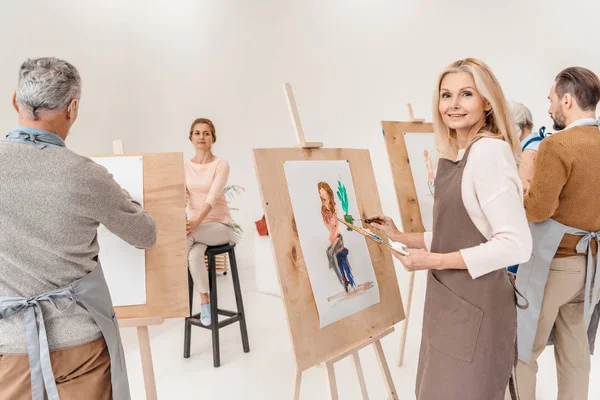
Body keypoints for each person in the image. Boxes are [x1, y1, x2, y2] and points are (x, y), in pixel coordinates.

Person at [369, 58, 532, 400]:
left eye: (466, 94)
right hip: (451, 302)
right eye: (446, 95)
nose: (453, 104)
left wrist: (432, 261)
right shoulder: (459, 154)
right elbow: (462, 232)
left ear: (487, 103)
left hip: (477, 305)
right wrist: (399, 236)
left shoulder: (489, 152)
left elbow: (516, 245)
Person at [0, 57, 157, 400]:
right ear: (72, 109)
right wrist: (128, 203)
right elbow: (146, 235)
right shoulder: (86, 175)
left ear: (15, 100)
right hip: (79, 346)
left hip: (7, 346)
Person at [515, 67, 600, 400]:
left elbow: (539, 210)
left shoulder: (557, 145)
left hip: (555, 264)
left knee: (524, 350)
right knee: (575, 353)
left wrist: (521, 191)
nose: (549, 108)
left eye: (551, 100)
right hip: (591, 267)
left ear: (567, 100)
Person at [185, 118, 234, 327]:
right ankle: (205, 302)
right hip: (195, 228)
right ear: (191, 138)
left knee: (186, 237)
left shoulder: (220, 164)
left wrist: (195, 222)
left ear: (213, 138)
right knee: (195, 255)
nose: (201, 137)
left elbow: (212, 198)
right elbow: (182, 199)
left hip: (220, 227)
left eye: (206, 133)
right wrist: (183, 221)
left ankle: (172, 281)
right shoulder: (185, 167)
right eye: (197, 133)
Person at [318, 182, 356, 293]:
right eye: (320, 193)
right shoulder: (323, 208)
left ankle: (347, 282)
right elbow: (329, 224)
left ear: (327, 191)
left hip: (338, 237)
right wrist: (331, 234)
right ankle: (345, 282)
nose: (321, 195)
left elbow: (335, 224)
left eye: (323, 192)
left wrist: (334, 234)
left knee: (332, 255)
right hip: (333, 237)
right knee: (333, 256)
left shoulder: (333, 206)